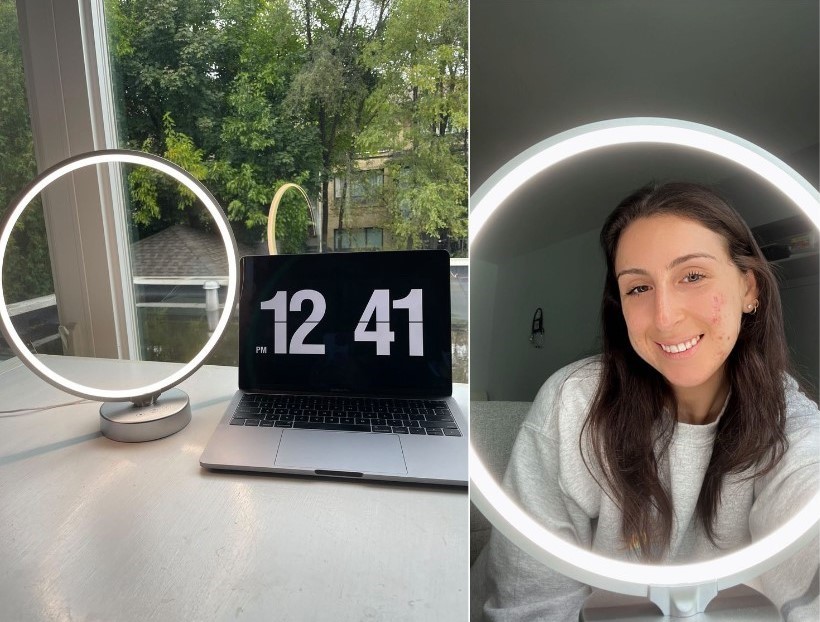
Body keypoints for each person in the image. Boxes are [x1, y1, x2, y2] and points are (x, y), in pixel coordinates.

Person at [471, 182, 819, 621]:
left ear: (749, 288)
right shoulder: (573, 401)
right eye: (638, 288)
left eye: (692, 276)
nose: (664, 316)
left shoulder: (792, 425)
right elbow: (529, 604)